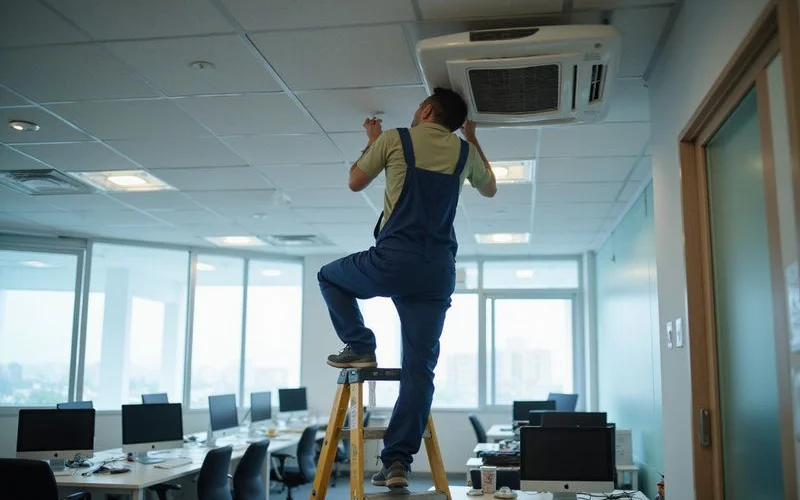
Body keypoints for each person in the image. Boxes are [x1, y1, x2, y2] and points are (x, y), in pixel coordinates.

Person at [317, 87, 497, 488]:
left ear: (427, 110)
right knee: (420, 369)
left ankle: (360, 345)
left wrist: (372, 141)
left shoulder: (395, 139)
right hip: (437, 272)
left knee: (328, 276)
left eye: (418, 107)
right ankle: (397, 462)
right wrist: (472, 139)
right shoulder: (464, 152)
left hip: (394, 261)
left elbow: (355, 182)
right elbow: (490, 189)